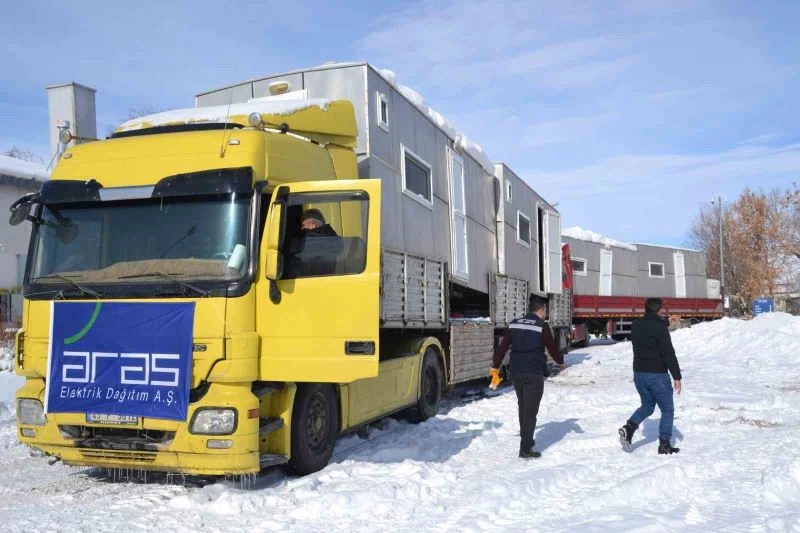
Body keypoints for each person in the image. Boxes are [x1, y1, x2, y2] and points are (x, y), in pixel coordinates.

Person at [490, 300, 566, 459]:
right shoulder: (541, 326)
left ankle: (525, 438)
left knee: (523, 406)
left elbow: (502, 348)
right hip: (533, 373)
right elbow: (552, 347)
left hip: (516, 373)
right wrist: (560, 362)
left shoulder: (514, 324)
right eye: (545, 310)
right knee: (530, 411)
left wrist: (495, 366)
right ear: (541, 310)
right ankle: (525, 449)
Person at [619, 297, 682, 455]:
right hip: (657, 375)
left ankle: (629, 428)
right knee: (667, 410)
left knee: (647, 406)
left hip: (639, 374)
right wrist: (677, 376)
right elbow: (668, 353)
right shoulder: (660, 328)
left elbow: (651, 326)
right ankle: (664, 444)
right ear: (659, 310)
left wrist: (667, 321)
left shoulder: (636, 325)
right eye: (662, 310)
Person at [284, 208, 341, 277]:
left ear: (314, 225)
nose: (302, 228)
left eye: (303, 225)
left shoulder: (309, 241)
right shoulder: (333, 239)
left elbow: (292, 249)